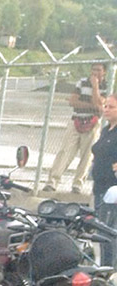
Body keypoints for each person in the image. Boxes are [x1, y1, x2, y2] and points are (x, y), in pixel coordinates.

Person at [44, 62, 107, 195]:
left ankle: (77, 184)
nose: (94, 72)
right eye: (93, 69)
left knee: (87, 155)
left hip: (93, 123)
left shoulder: (105, 85)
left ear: (104, 72)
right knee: (65, 152)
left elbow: (99, 106)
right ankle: (52, 182)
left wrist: (95, 86)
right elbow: (73, 101)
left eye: (98, 70)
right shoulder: (82, 82)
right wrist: (91, 105)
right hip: (76, 120)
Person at [90, 94, 117, 255]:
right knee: (101, 233)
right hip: (100, 188)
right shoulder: (106, 130)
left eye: (111, 107)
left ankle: (110, 271)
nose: (106, 109)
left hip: (113, 191)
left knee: (107, 234)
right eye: (105, 106)